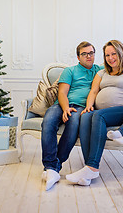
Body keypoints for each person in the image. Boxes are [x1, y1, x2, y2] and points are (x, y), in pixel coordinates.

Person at [65, 40, 123, 186]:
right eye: (107, 55)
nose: (110, 57)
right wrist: (89, 106)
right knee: (86, 115)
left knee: (98, 115)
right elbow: (93, 91)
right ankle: (88, 170)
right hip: (102, 111)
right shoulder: (102, 73)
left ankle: (92, 167)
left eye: (114, 54)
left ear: (121, 53)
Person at [41, 41, 103, 191]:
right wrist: (65, 108)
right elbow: (62, 93)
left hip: (82, 108)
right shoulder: (70, 71)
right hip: (63, 104)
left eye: (91, 53)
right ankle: (50, 166)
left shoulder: (100, 71)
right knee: (48, 122)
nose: (88, 56)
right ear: (78, 57)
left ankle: (54, 168)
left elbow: (122, 70)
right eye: (84, 54)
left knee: (73, 124)